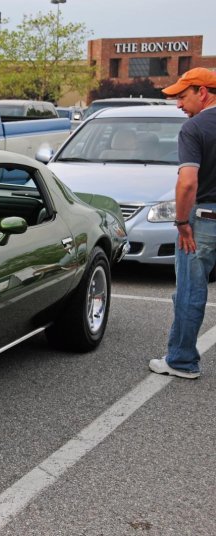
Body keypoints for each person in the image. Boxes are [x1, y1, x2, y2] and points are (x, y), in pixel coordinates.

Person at [149, 67, 216, 379]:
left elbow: (188, 182)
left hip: (204, 219)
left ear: (202, 92)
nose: (178, 104)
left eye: (182, 96)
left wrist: (181, 223)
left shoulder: (195, 128)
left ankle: (181, 361)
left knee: (190, 290)